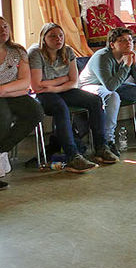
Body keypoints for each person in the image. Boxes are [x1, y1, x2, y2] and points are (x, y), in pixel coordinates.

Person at [28, 23, 116, 172]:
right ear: (44, 38)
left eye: (61, 35)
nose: (58, 39)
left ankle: (101, 147)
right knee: (61, 108)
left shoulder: (67, 51)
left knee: (95, 100)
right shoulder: (36, 53)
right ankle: (72, 156)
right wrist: (62, 80)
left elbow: (74, 81)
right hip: (43, 94)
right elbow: (36, 86)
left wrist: (54, 86)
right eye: (53, 36)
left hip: (61, 89)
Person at [77, 27, 136, 152]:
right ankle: (108, 142)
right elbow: (110, 87)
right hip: (89, 87)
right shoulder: (102, 57)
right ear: (112, 44)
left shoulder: (132, 54)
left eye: (130, 40)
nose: (128, 43)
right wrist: (126, 66)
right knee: (113, 95)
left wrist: (134, 64)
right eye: (122, 40)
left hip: (114, 85)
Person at [0, 17, 44, 186]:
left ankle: (2, 150)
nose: (3, 30)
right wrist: (12, 89)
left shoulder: (17, 51)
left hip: (12, 94)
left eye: (5, 27)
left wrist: (3, 90)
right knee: (3, 117)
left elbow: (25, 83)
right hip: (11, 93)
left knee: (36, 112)